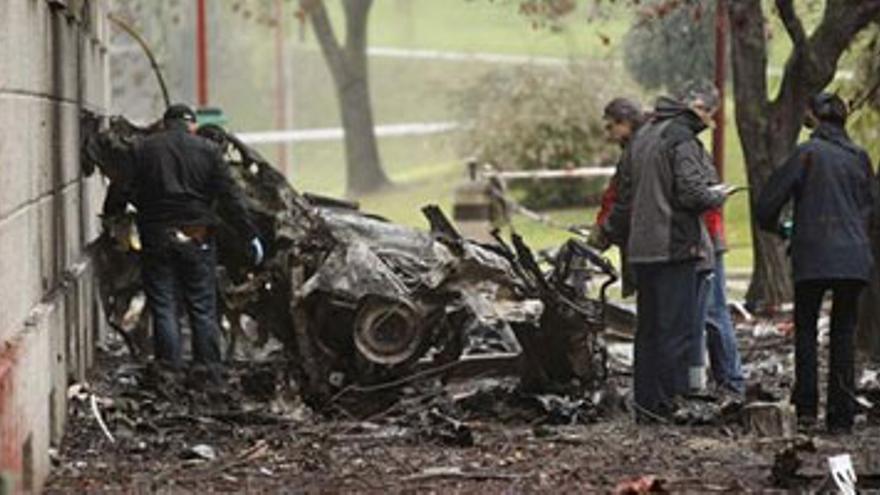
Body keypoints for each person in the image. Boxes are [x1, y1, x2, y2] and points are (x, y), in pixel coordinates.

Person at [606, 81, 736, 420]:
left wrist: (605, 234)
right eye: (708, 114)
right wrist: (718, 195)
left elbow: (622, 199)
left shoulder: (642, 137)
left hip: (641, 251)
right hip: (675, 247)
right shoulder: (680, 137)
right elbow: (692, 193)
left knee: (647, 331)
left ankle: (646, 405)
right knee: (676, 331)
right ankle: (670, 404)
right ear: (694, 110)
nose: (710, 121)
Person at [105, 104, 264, 377]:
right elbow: (231, 198)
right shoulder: (209, 151)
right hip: (197, 233)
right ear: (192, 124)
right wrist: (249, 235)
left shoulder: (143, 149)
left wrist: (113, 214)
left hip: (156, 232)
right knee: (202, 303)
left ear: (165, 124)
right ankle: (208, 370)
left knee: (163, 301)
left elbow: (120, 187)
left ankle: (170, 369)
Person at [756, 92, 875, 433]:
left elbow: (767, 206)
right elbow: (872, 209)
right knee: (843, 333)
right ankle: (841, 417)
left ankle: (806, 410)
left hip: (813, 255)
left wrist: (781, 229)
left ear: (815, 116)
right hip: (854, 258)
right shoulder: (860, 158)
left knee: (806, 331)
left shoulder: (807, 154)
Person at [588, 97, 647, 298]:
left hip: (642, 240)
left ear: (626, 122)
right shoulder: (634, 148)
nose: (609, 133)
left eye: (610, 126)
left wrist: (606, 230)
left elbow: (628, 200)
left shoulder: (637, 151)